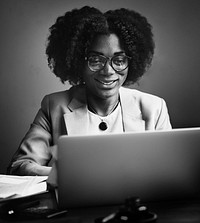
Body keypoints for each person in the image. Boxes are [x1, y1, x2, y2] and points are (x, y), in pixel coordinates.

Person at [7, 6, 172, 176]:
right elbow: (20, 166)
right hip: (76, 202)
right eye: (95, 60)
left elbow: (169, 169)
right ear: (78, 62)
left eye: (119, 60)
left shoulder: (154, 108)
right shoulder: (54, 106)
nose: (108, 71)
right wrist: (66, 175)